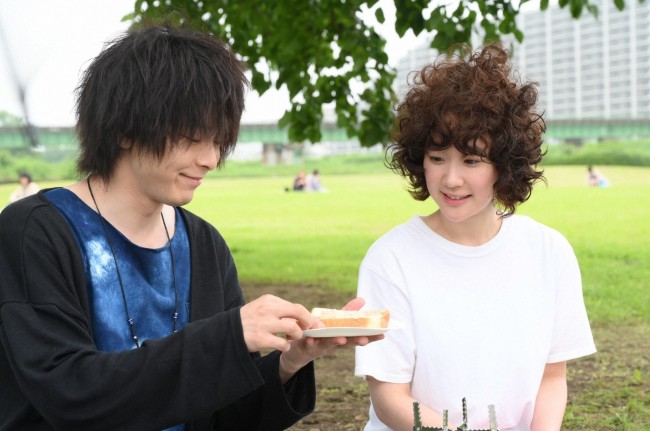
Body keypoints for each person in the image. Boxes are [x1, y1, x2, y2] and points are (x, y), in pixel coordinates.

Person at [0, 24, 381, 431]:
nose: (210, 159)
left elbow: (226, 414)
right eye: (193, 137)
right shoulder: (35, 232)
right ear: (125, 128)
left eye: (218, 141)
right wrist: (228, 337)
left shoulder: (203, 245)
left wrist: (290, 361)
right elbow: (68, 392)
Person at [354, 44, 596, 430]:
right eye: (437, 158)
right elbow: (389, 397)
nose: (451, 179)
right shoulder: (390, 258)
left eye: (471, 160)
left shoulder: (549, 252)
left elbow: (552, 377)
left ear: (504, 163)